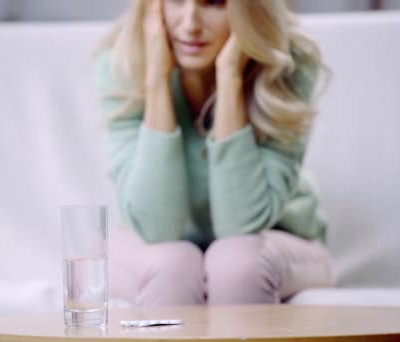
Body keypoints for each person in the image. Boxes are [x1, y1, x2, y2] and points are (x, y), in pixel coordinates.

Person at [94, 0, 334, 307]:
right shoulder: (120, 64)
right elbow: (158, 227)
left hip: (281, 237)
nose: (190, 22)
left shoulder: (289, 63)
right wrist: (157, 81)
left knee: (237, 265)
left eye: (215, 3)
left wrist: (231, 75)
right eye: (177, 1)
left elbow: (241, 226)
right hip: (155, 241)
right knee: (172, 267)